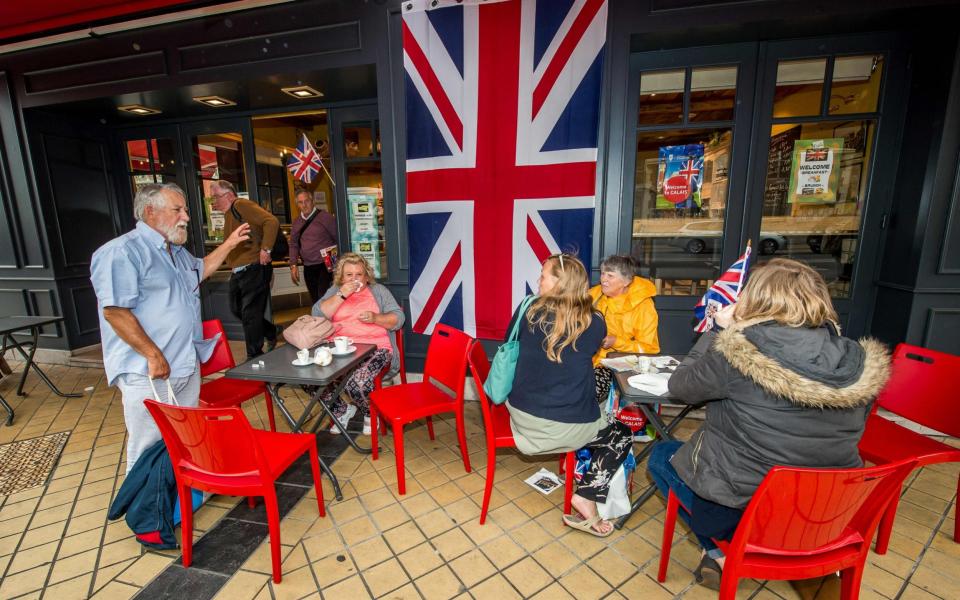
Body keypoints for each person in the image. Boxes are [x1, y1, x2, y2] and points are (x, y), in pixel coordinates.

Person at [645, 258, 890, 589]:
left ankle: (720, 553)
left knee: (663, 456)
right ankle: (806, 564)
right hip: (826, 511)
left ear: (755, 299)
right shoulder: (855, 358)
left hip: (748, 509)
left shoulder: (738, 352)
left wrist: (720, 331)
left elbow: (680, 386)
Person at [91, 183, 250, 473]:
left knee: (186, 437)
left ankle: (182, 499)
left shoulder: (175, 251)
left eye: (185, 210)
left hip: (184, 364)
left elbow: (201, 269)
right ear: (150, 212)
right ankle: (149, 515)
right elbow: (115, 311)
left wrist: (229, 244)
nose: (186, 217)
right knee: (149, 444)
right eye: (178, 210)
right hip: (150, 372)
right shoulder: (122, 252)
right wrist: (153, 354)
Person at [506, 253, 634, 536]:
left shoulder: (527, 309)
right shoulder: (595, 322)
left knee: (588, 397)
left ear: (560, 283)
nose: (538, 280)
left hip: (520, 415)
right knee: (621, 433)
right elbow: (586, 352)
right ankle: (585, 496)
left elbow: (510, 342)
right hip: (560, 429)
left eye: (543, 275)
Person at [313, 253, 404, 435]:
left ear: (366, 275)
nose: (354, 279)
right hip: (339, 349)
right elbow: (317, 314)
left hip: (376, 348)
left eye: (359, 274)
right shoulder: (335, 291)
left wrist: (376, 318)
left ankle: (370, 413)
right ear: (342, 276)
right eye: (349, 275)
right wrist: (341, 295)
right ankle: (342, 410)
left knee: (359, 381)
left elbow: (399, 319)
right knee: (311, 378)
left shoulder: (378, 291)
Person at [211, 180, 281, 359]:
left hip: (254, 268)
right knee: (236, 309)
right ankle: (271, 331)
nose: (214, 202)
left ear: (228, 195)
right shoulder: (228, 213)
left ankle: (254, 355)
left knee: (250, 313)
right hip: (238, 270)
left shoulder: (241, 205)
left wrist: (266, 249)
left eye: (216, 197)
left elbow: (271, 221)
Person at [589, 255, 659, 401]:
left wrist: (617, 342)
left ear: (626, 281)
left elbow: (650, 349)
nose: (604, 279)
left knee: (587, 392)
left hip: (621, 367)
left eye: (610, 276)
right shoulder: (593, 295)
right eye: (602, 273)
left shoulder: (643, 306)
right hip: (587, 361)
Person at [289, 189, 338, 304]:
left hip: (326, 265)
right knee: (315, 298)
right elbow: (293, 244)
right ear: (297, 205)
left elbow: (338, 238)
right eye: (300, 202)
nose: (304, 205)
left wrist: (337, 261)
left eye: (307, 201)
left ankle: (327, 320)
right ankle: (319, 320)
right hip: (308, 266)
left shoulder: (326, 217)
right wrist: (293, 265)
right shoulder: (297, 222)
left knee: (323, 297)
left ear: (312, 201)